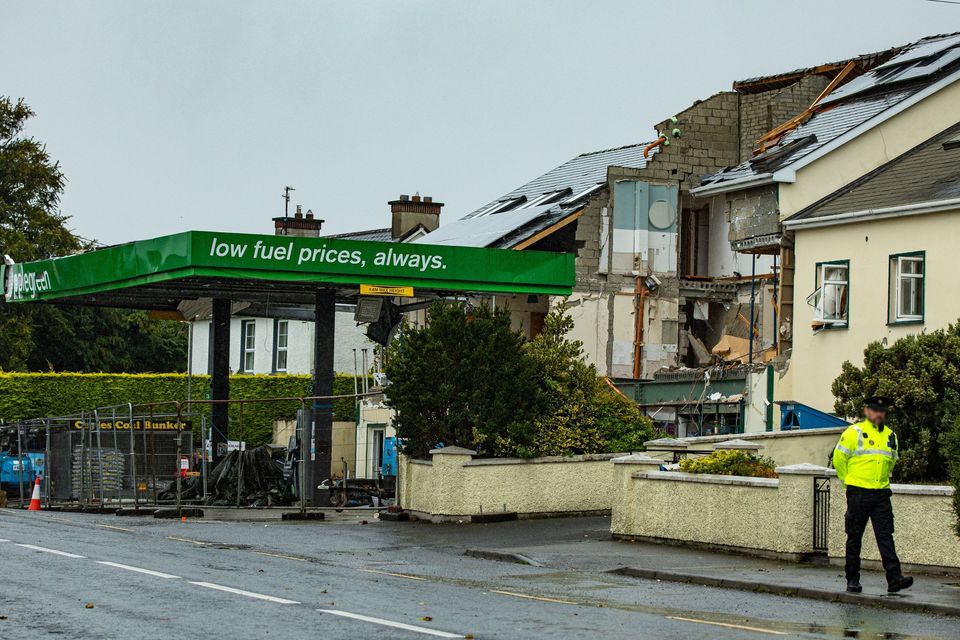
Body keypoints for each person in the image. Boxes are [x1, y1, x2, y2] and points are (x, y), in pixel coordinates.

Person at [832, 395, 913, 594]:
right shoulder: (854, 432)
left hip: (881, 494)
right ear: (867, 411)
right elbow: (839, 459)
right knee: (854, 536)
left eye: (882, 410)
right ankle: (852, 579)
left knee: (886, 536)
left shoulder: (890, 435)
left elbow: (891, 461)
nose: (878, 413)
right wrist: (848, 484)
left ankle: (894, 579)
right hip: (858, 492)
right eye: (875, 410)